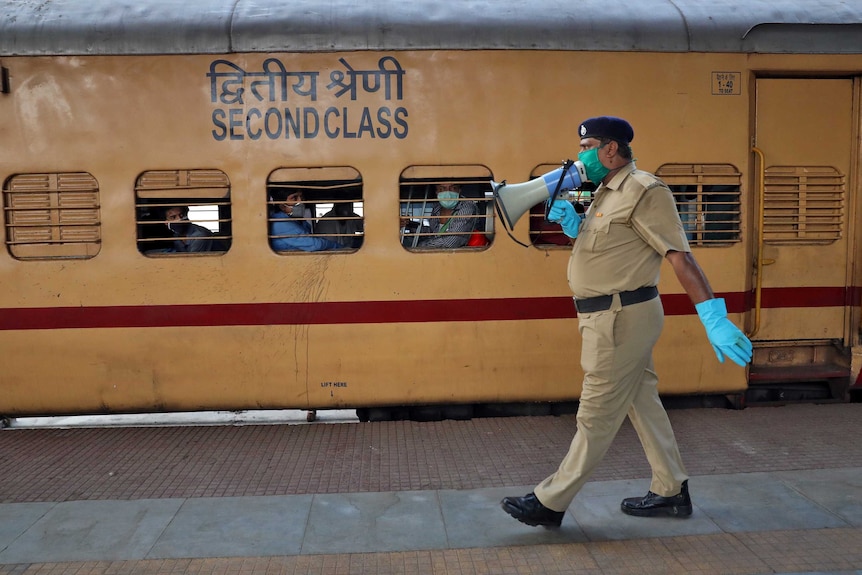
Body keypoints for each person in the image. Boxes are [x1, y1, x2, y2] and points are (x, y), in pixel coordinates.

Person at [501, 116, 753, 528]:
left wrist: (713, 317)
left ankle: (550, 501)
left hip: (620, 319)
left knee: (596, 413)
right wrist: (577, 227)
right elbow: (618, 247)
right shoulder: (606, 192)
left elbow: (679, 256)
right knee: (643, 403)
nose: (581, 154)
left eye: (588, 145)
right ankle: (671, 489)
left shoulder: (645, 191)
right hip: (611, 316)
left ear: (611, 149)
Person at [269, 190, 343, 252]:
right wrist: (339, 247)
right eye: (294, 198)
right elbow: (315, 244)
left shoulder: (299, 222)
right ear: (282, 206)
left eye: (301, 197)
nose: (301, 201)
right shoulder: (280, 223)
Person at [414, 183, 479, 248]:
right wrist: (409, 225)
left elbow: (451, 242)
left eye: (453, 188)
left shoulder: (467, 207)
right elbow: (433, 232)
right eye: (442, 188)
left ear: (459, 190)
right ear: (437, 192)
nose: (448, 192)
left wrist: (421, 246)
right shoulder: (437, 207)